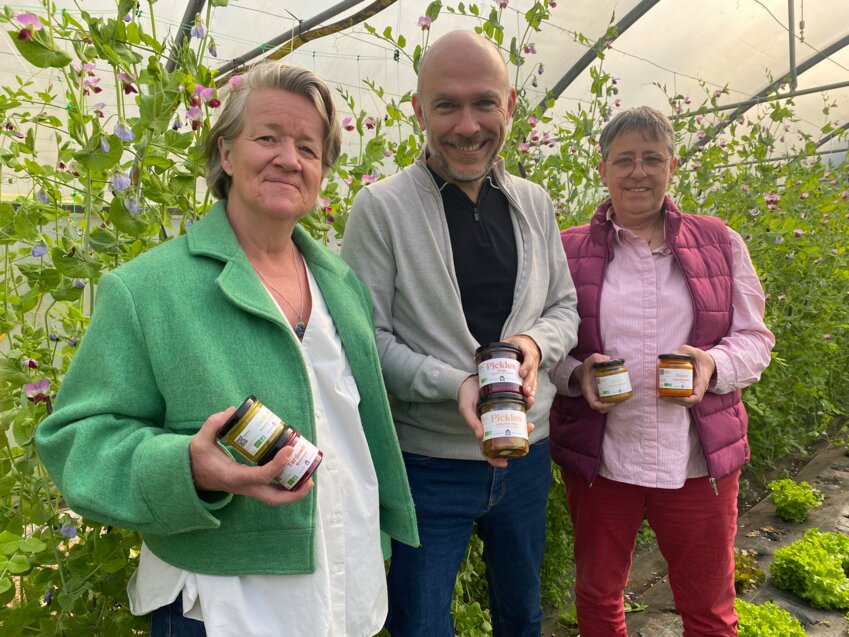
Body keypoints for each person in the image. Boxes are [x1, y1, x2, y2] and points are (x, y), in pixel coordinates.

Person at [34, 61, 418, 637]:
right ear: (227, 154)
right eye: (268, 137)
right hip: (223, 605)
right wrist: (188, 468)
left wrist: (376, 533)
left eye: (308, 148)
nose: (289, 158)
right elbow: (75, 443)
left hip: (346, 583)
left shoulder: (341, 284)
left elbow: (351, 428)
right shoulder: (148, 289)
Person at [341, 30, 579, 637]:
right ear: (418, 110)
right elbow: (369, 340)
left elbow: (563, 307)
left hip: (527, 456)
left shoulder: (534, 202)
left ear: (510, 106)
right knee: (420, 624)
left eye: (484, 103)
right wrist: (457, 385)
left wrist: (531, 347)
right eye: (446, 105)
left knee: (522, 615)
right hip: (427, 462)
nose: (467, 125)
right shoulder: (381, 209)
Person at [549, 106, 775, 636]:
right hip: (604, 459)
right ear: (602, 169)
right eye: (624, 159)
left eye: (652, 158)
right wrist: (579, 376)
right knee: (599, 597)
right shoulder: (567, 250)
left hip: (694, 460)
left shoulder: (719, 242)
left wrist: (712, 364)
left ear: (673, 166)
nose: (638, 172)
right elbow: (547, 345)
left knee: (709, 606)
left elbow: (756, 340)